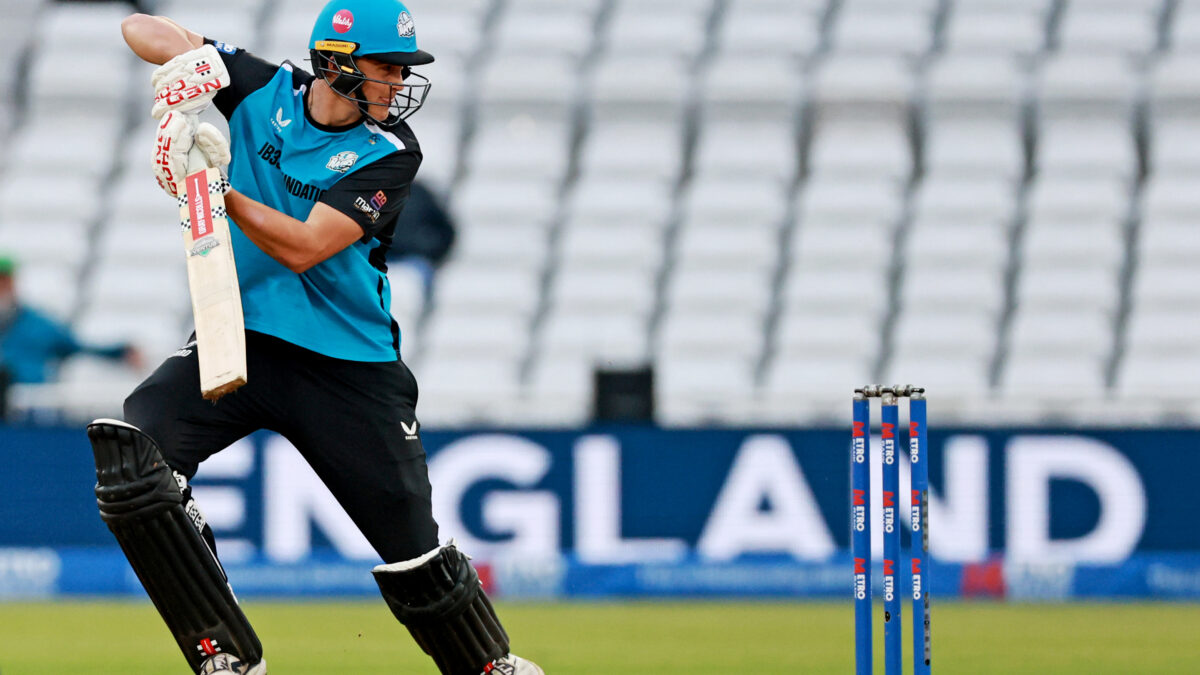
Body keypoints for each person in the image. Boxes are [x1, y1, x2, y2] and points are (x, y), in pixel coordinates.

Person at [87, 3, 543, 674]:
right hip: (247, 338)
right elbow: (139, 29)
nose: (399, 83)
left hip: (348, 365)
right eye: (388, 68)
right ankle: (224, 652)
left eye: (402, 70)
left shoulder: (392, 153)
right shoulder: (263, 89)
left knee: (414, 553)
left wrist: (210, 187)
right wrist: (195, 64)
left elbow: (304, 247)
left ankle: (488, 665)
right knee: (137, 459)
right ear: (335, 63)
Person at [0, 254, 142, 385]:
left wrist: (121, 351)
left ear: (13, 282)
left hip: (27, 398)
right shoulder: (35, 322)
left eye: (4, 280)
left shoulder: (38, 324)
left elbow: (79, 346)